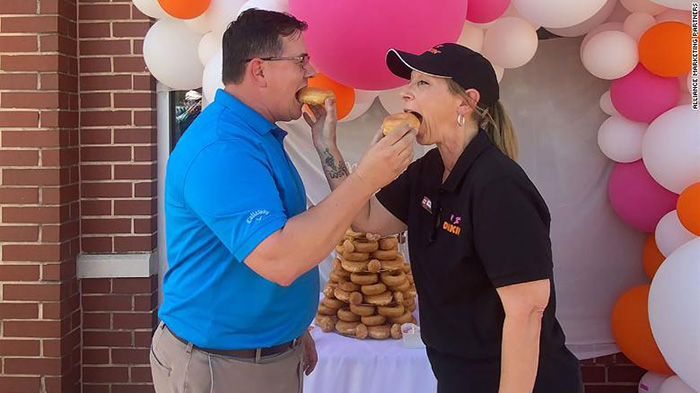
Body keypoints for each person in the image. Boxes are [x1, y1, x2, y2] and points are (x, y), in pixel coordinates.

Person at [150, 9, 415, 393]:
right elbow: (279, 258)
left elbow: (282, 234)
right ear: (259, 70)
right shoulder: (223, 148)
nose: (310, 72)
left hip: (261, 354)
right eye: (300, 60)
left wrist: (290, 331)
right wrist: (366, 178)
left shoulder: (260, 135)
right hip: (221, 365)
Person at [315, 43, 584, 393]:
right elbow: (365, 218)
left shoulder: (498, 185)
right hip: (456, 376)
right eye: (409, 82)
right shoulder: (428, 170)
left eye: (423, 84)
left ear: (465, 102)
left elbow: (527, 312)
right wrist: (327, 146)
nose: (405, 95)